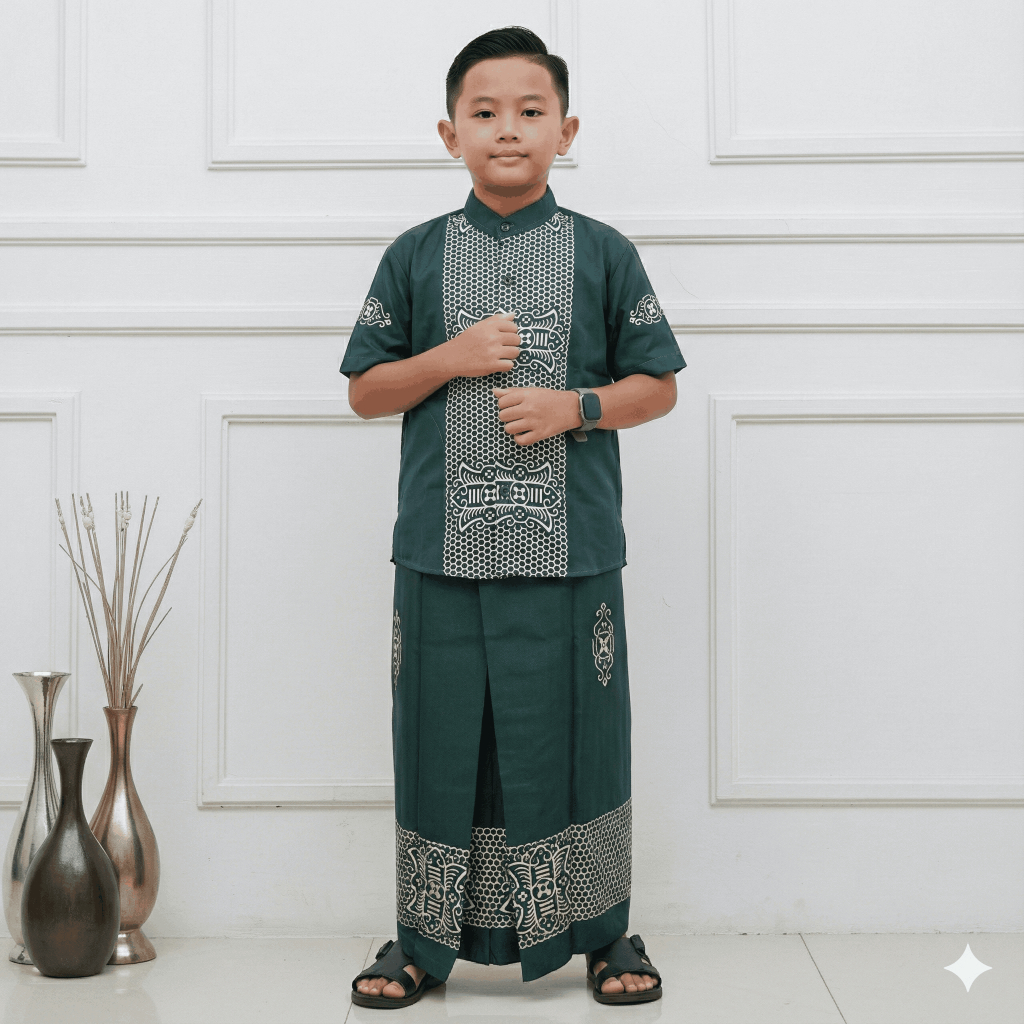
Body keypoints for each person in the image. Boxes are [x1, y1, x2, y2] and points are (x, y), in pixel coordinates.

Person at [342, 25, 685, 1010]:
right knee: (437, 742)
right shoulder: (413, 256)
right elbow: (365, 390)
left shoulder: (604, 253)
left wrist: (576, 407)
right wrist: (448, 358)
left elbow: (657, 386)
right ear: (448, 133)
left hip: (571, 551)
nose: (506, 129)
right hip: (439, 551)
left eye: (530, 111)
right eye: (483, 111)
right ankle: (419, 942)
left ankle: (605, 936)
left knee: (582, 741)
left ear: (564, 132)